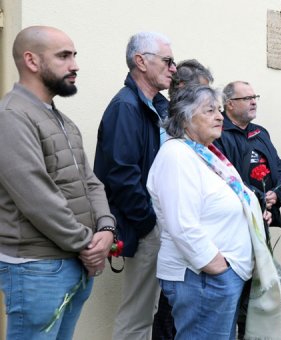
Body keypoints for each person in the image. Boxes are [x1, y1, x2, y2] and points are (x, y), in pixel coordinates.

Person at [0, 26, 115, 339]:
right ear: (32, 61)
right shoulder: (12, 116)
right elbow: (37, 196)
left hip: (74, 262)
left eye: (74, 55)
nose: (75, 64)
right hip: (36, 268)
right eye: (64, 56)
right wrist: (88, 246)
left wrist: (106, 230)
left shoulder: (62, 120)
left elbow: (91, 183)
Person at [147, 85, 281, 339]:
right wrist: (218, 268)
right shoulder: (177, 156)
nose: (220, 116)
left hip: (216, 277)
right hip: (201, 277)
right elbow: (182, 224)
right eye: (210, 111)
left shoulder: (204, 152)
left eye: (219, 110)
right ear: (186, 117)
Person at [94, 31, 176, 340]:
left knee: (151, 310)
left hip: (160, 224)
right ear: (140, 61)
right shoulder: (125, 107)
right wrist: (147, 224)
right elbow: (121, 174)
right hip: (146, 225)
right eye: (167, 61)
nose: (173, 68)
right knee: (138, 315)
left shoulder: (158, 105)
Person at [214, 81, 281, 339]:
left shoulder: (260, 132)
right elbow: (226, 179)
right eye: (246, 98)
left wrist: (275, 195)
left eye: (254, 96)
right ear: (229, 104)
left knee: (258, 290)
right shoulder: (219, 135)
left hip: (263, 221)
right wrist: (257, 201)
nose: (253, 101)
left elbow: (279, 169)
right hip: (236, 225)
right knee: (236, 292)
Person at [154, 58, 214, 340]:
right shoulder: (173, 141)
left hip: (194, 247)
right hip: (180, 249)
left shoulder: (200, 137)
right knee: (170, 318)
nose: (209, 105)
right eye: (200, 94)